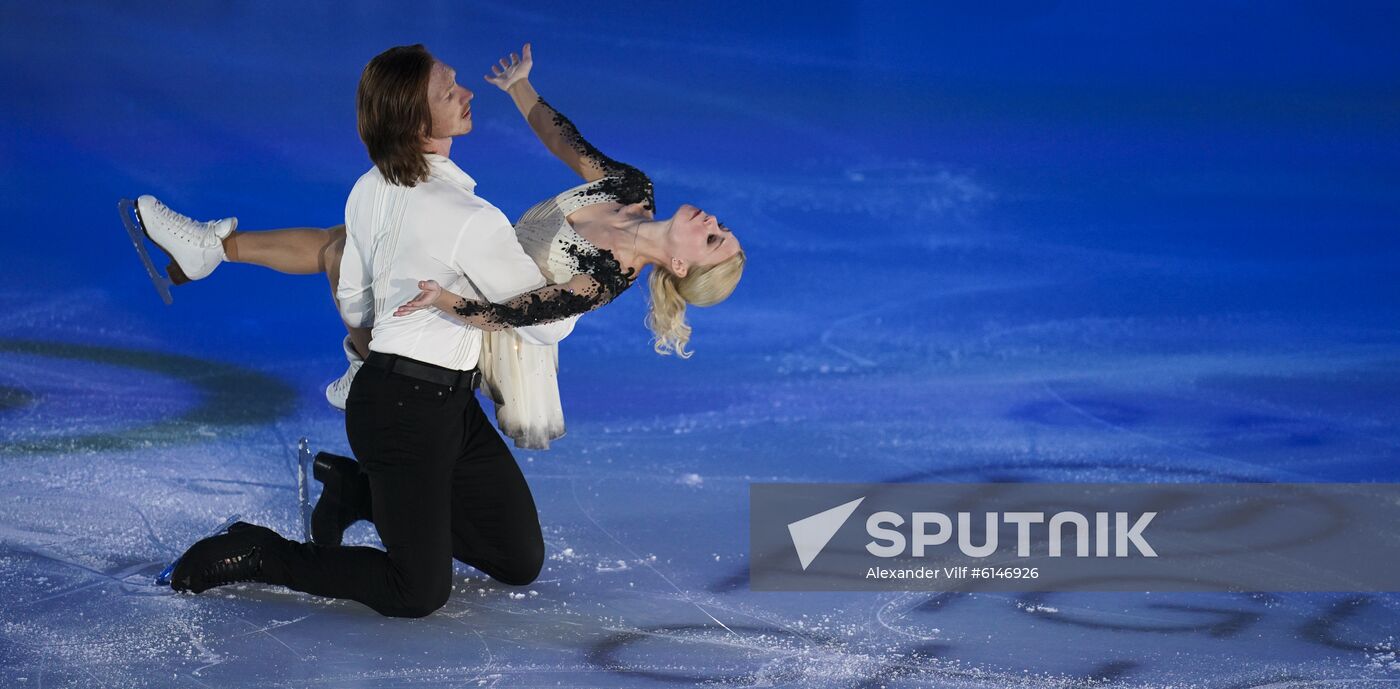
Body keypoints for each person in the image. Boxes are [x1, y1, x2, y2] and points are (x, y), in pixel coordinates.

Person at [134, 44, 746, 450]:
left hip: (496, 317)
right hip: (482, 265)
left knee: (340, 252)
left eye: (713, 239)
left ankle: (361, 357)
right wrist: (521, 89)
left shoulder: (610, 274)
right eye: (721, 225)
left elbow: (525, 314)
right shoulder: (632, 189)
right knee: (345, 241)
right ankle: (210, 251)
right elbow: (567, 142)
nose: (712, 219)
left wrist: (454, 305)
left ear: (683, 263)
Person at [169, 44, 571, 618]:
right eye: (448, 91)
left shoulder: (369, 187)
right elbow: (547, 327)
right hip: (405, 416)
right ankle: (258, 552)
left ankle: (356, 490)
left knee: (518, 558)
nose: (467, 94)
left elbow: (356, 301)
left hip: (437, 406)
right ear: (414, 120)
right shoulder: (472, 220)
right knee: (419, 591)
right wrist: (596, 280)